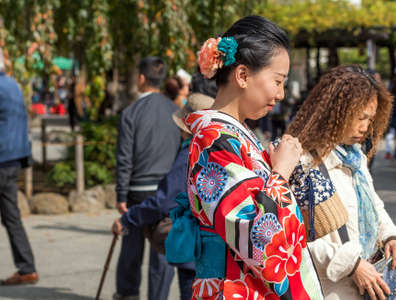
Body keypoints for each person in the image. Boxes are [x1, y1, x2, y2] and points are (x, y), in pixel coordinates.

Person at [185, 15, 323, 299]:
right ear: (243, 76)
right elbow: (257, 235)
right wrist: (281, 172)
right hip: (236, 288)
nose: (282, 93)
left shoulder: (232, 136)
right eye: (278, 81)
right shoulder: (214, 141)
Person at [286, 65, 396, 300]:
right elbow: (290, 237)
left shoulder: (355, 157)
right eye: (359, 117)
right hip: (326, 290)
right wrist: (351, 264)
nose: (365, 127)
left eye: (370, 119)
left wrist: (393, 236)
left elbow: (375, 206)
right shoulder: (301, 162)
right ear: (334, 112)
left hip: (363, 287)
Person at [112, 73, 217, 300]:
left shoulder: (191, 153)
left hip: (194, 246)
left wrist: (128, 218)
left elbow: (164, 200)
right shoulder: (217, 150)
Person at [114, 56, 181, 300]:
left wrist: (121, 194)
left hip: (136, 189)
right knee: (161, 249)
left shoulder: (131, 112)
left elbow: (124, 158)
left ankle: (127, 293)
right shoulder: (175, 112)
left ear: (142, 78)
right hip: (166, 190)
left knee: (130, 247)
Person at [0, 48, 38, 285]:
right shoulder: (13, 85)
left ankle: (26, 268)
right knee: (11, 216)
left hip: (2, 157)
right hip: (14, 160)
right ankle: (27, 268)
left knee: (11, 216)